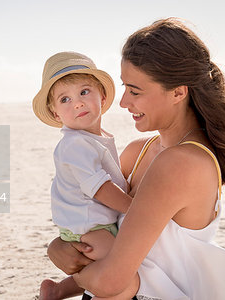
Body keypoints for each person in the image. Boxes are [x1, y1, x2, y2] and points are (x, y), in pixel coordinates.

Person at [47, 18, 225, 300]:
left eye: (135, 91)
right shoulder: (138, 151)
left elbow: (111, 279)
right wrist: (57, 246)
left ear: (178, 92)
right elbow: (94, 215)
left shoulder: (182, 163)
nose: (123, 102)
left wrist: (75, 278)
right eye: (124, 88)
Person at [32, 52, 139, 299]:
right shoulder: (74, 144)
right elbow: (100, 187)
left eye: (84, 92)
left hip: (98, 223)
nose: (77, 103)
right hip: (89, 227)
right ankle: (66, 288)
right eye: (65, 99)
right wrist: (135, 208)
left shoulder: (94, 138)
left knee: (105, 270)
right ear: (56, 113)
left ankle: (57, 290)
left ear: (101, 95)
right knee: (122, 280)